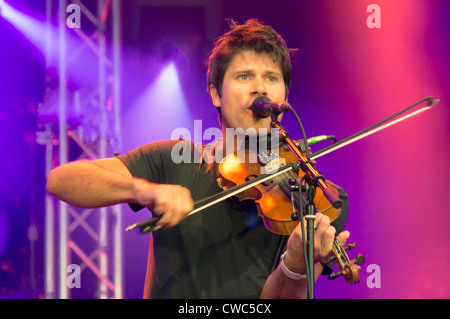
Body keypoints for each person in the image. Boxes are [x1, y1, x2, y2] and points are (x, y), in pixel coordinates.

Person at [47, 19, 350, 299]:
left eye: (271, 78)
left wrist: (295, 267)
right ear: (216, 93)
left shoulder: (314, 195)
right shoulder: (173, 159)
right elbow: (62, 180)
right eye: (244, 76)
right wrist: (144, 190)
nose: (260, 87)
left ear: (283, 97)